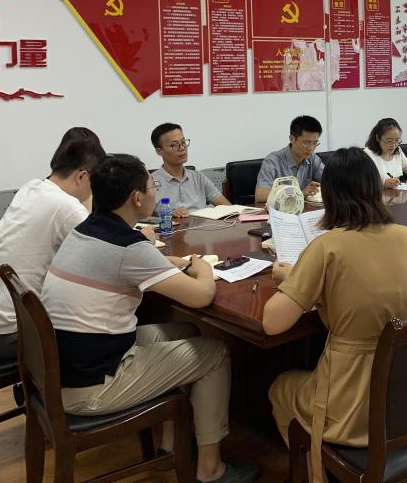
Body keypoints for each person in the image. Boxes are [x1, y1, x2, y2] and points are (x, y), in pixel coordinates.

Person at [42, 154, 256, 483]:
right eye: (152, 185)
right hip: (92, 386)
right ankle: (211, 469)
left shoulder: (86, 231)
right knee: (215, 353)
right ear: (137, 198)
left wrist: (174, 263)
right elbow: (201, 295)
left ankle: (170, 447)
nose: (155, 190)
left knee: (185, 329)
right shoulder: (128, 248)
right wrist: (201, 267)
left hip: (64, 367)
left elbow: (136, 262)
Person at [262, 148, 407, 483]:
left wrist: (292, 278)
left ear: (329, 196)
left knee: (281, 388)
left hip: (349, 404)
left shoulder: (326, 246)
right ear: (375, 188)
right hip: (405, 394)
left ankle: (317, 473)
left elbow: (272, 323)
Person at [0, 136, 105, 359]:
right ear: (82, 176)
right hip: (14, 335)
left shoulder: (31, 187)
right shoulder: (66, 206)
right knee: (103, 328)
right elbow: (105, 256)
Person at [151, 123, 230, 218]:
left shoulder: (198, 177)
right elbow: (144, 219)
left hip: (202, 226)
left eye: (183, 142)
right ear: (159, 151)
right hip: (170, 227)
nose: (182, 148)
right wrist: (167, 213)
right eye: (174, 145)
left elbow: (227, 207)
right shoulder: (150, 183)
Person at [256, 116, 326, 203]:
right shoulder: (273, 161)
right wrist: (299, 194)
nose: (311, 148)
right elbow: (260, 195)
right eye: (306, 142)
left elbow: (330, 180)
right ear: (292, 139)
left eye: (315, 143)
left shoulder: (312, 158)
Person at [363, 118, 407, 188]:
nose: (393, 145)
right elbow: (361, 182)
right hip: (376, 194)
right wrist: (384, 183)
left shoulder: (397, 151)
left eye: (397, 140)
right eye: (389, 141)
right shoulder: (367, 154)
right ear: (378, 138)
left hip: (396, 193)